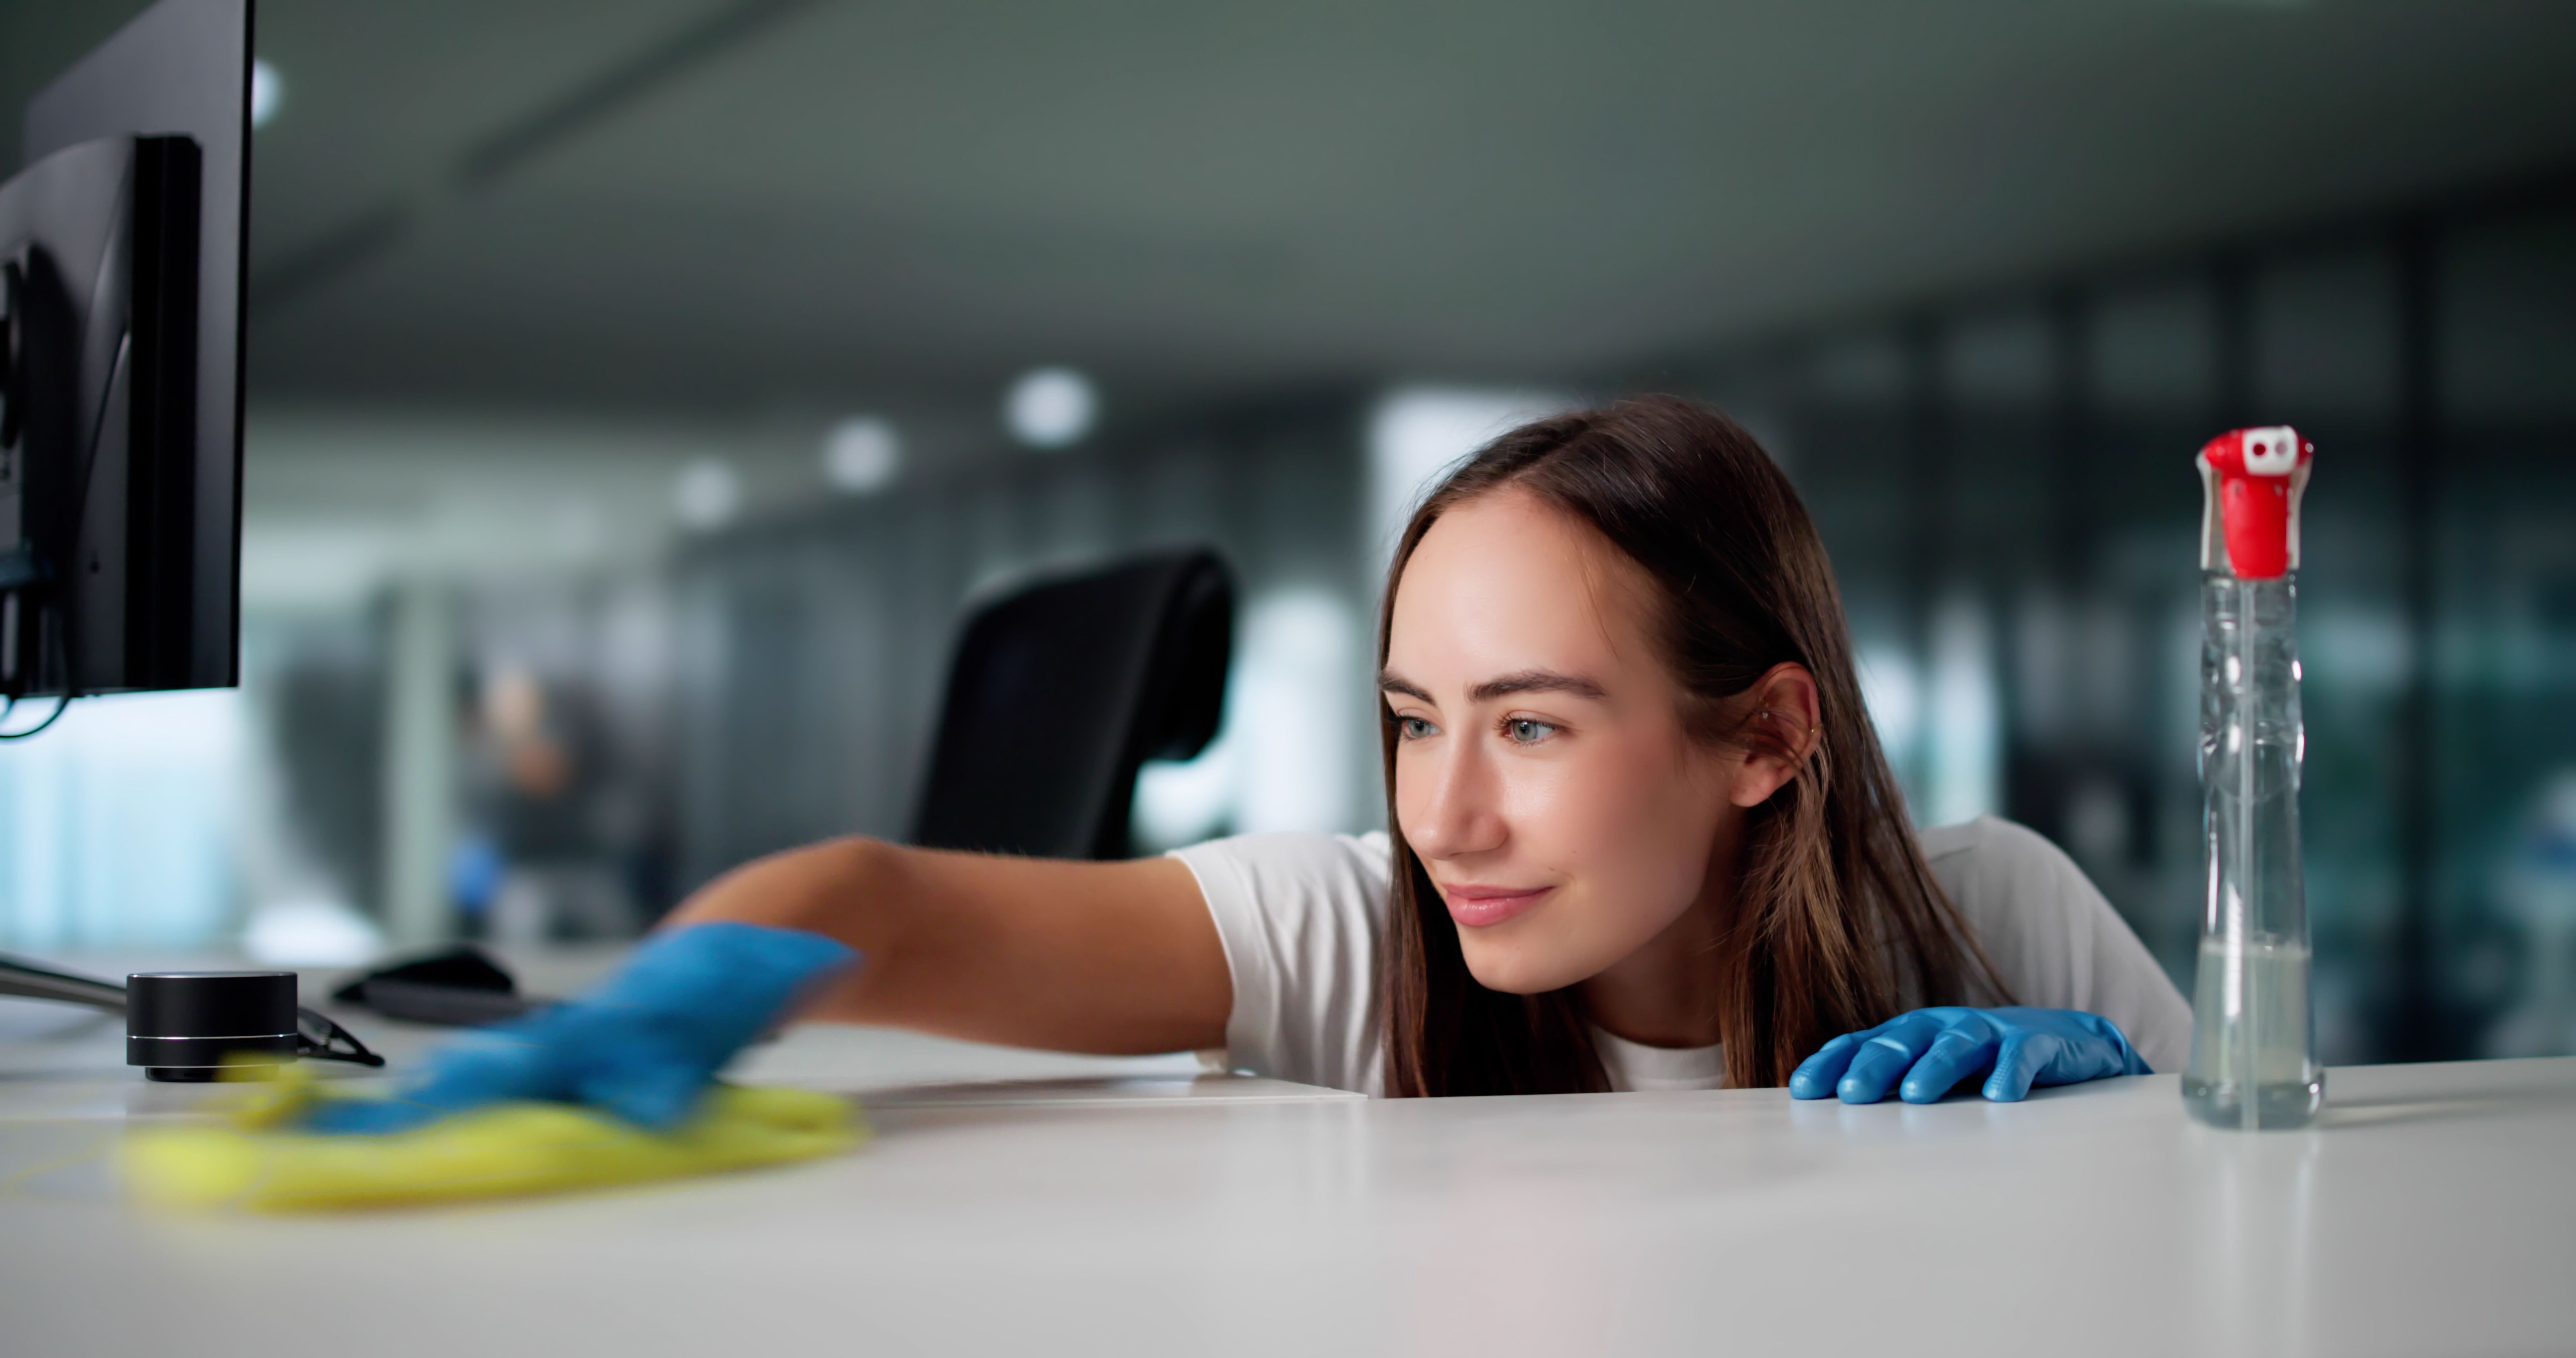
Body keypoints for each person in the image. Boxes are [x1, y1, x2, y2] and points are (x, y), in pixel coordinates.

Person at [319, 396, 2187, 1134]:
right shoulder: (1359, 937)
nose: (1444, 818)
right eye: (1411, 718)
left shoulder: (1990, 913)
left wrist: (2137, 1119)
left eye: (1530, 724)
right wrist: (675, 994)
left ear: (1768, 737)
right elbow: (875, 902)